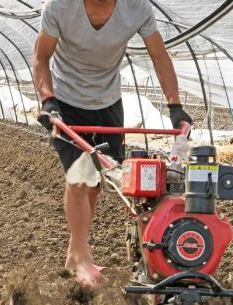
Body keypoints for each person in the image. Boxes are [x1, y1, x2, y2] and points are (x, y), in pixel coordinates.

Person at [33, 0, 193, 289]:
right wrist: (48, 101)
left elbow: (158, 55)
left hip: (107, 103)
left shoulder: (137, 8)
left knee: (98, 178)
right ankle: (81, 257)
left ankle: (74, 254)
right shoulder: (59, 6)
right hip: (66, 102)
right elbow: (41, 57)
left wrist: (175, 106)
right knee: (79, 174)